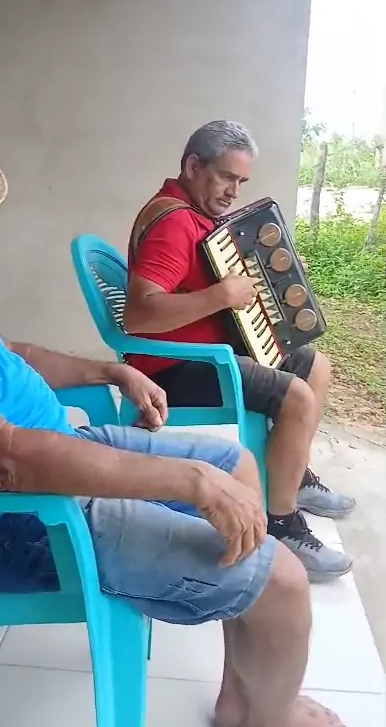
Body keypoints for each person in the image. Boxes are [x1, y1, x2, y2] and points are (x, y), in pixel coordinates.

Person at [0, 94, 345, 727]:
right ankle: (269, 716)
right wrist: (186, 482)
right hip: (5, 520)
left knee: (238, 466)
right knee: (284, 580)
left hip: (51, 457)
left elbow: (4, 354)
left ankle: (241, 699)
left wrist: (107, 370)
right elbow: (8, 460)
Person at [124, 119, 355, 583]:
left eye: (241, 181)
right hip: (175, 367)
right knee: (295, 396)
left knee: (316, 366)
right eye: (226, 177)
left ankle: (293, 477)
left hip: (210, 351)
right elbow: (139, 315)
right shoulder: (174, 223)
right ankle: (282, 525)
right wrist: (221, 296)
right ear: (193, 166)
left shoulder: (194, 215)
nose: (233, 191)